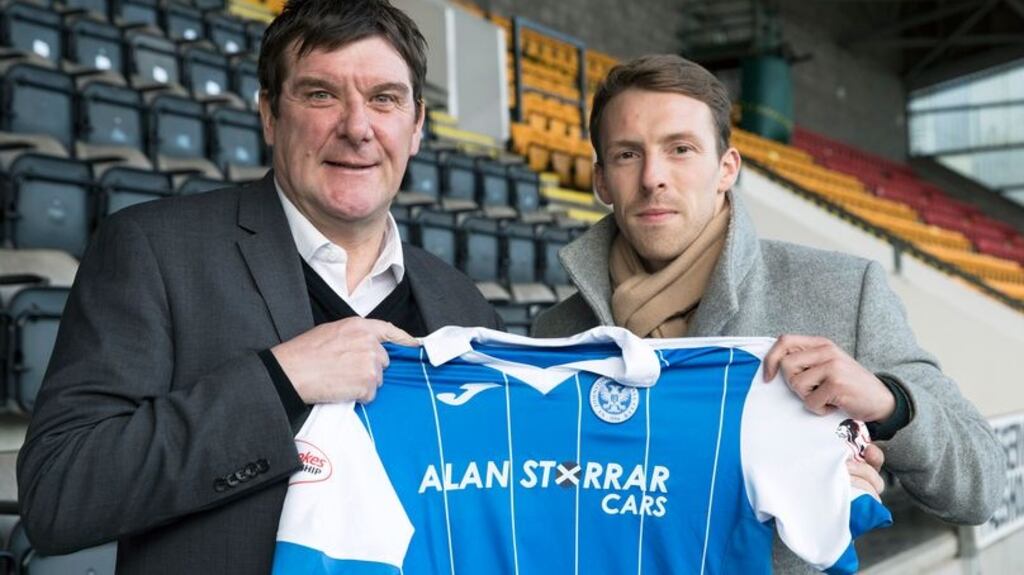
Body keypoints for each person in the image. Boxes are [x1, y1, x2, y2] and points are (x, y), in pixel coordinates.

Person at [16, 0, 500, 573]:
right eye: (321, 94)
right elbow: (58, 492)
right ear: (269, 114)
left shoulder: (463, 303)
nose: (357, 127)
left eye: (384, 98)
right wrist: (279, 381)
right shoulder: (154, 250)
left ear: (416, 125)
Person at [530, 54, 1006, 572]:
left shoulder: (845, 293)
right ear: (601, 180)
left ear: (726, 168)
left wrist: (889, 404)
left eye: (681, 150)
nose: (653, 178)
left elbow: (981, 485)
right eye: (627, 155)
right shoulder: (557, 336)